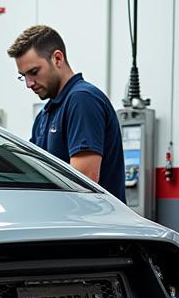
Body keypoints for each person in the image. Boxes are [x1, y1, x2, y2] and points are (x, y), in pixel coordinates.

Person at [7, 24, 126, 202]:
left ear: (57, 59)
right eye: (23, 76)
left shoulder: (82, 100)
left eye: (34, 72)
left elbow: (84, 182)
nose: (29, 83)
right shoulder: (45, 114)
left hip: (93, 224)